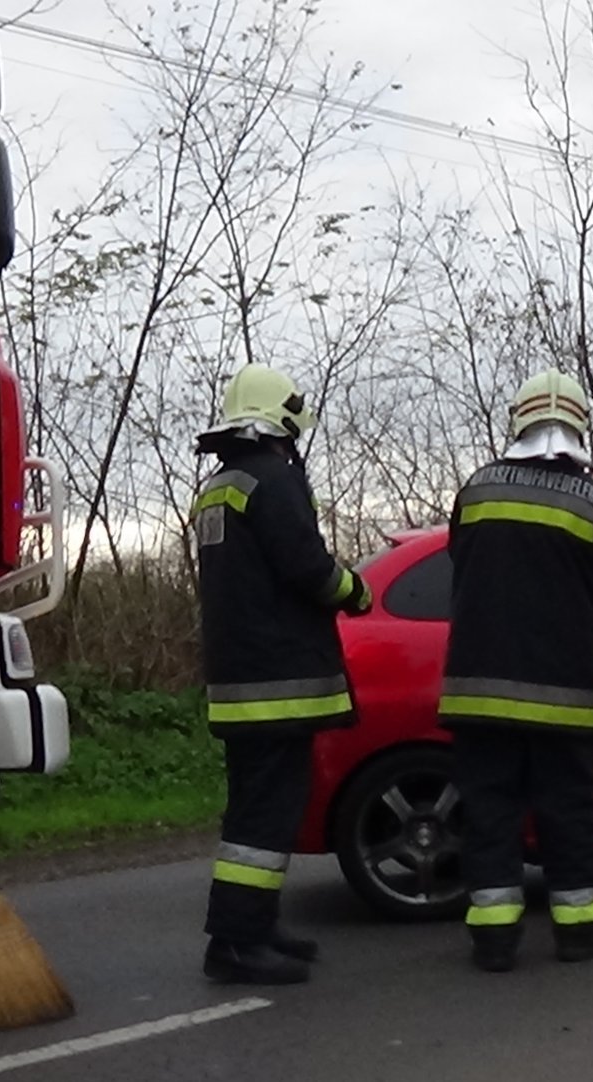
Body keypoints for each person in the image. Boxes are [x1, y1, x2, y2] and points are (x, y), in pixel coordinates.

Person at [191, 363, 371, 984]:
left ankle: (256, 926)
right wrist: (356, 591)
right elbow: (307, 568)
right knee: (264, 815)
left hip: (238, 678)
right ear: (282, 422)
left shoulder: (220, 485)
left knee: (254, 808)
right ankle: (237, 943)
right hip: (278, 683)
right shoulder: (274, 479)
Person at [438, 367, 593, 973]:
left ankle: (493, 941)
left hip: (479, 687)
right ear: (577, 425)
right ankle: (578, 934)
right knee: (568, 812)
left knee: (489, 812)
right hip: (564, 690)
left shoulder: (476, 490)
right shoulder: (592, 499)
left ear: (516, 421)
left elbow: (459, 563)